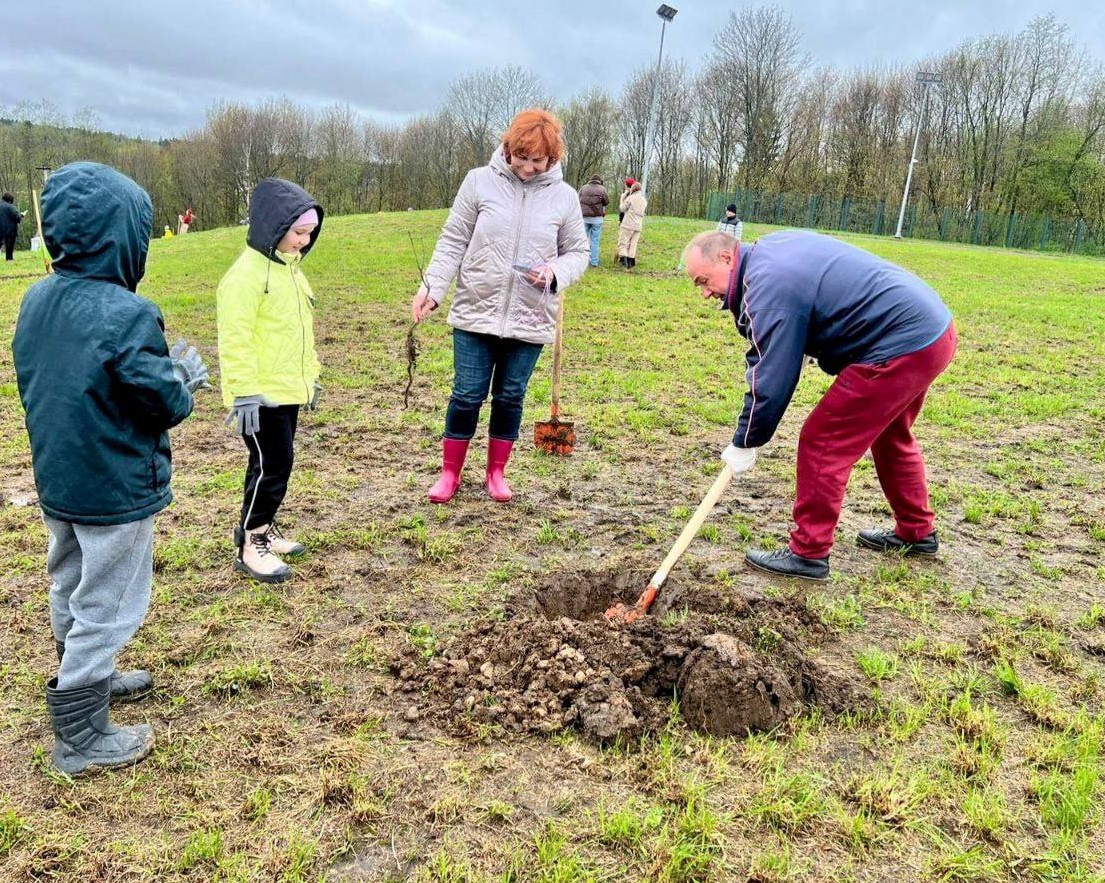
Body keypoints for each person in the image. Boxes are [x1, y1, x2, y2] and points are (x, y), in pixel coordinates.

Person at [12, 162, 209, 775]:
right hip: (115, 486)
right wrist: (183, 379)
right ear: (122, 235)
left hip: (59, 479)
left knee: (69, 580)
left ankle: (86, 677)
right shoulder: (128, 314)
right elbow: (163, 402)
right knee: (110, 601)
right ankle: (81, 735)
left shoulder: (36, 297)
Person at [683, 229, 956, 581]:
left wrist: (745, 439)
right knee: (891, 435)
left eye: (703, 281)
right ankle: (916, 531)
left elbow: (772, 374)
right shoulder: (768, 253)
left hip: (899, 343)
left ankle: (808, 553)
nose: (705, 293)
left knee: (823, 440)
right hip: (930, 331)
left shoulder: (766, 288)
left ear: (726, 257)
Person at [411, 108, 588, 504]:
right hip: (476, 310)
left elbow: (578, 251)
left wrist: (555, 271)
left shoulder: (565, 197)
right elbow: (454, 239)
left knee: (510, 396)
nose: (526, 167)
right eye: (520, 157)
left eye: (536, 160)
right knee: (467, 394)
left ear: (552, 159)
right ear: (508, 148)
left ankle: (496, 473)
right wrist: (433, 288)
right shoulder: (478, 182)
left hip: (531, 316)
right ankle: (449, 473)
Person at [218, 179, 324, 583]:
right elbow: (234, 338)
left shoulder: (290, 271)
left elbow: (300, 330)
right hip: (260, 395)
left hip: (287, 390)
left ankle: (259, 526)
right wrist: (244, 392)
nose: (303, 241)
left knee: (268, 464)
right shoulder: (244, 277)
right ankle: (252, 544)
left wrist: (310, 377)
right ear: (272, 225)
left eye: (309, 234)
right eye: (298, 232)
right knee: (274, 464)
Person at [578, 174, 608, 268]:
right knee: (595, 241)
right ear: (599, 181)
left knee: (582, 240)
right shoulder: (602, 189)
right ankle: (594, 262)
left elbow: (577, 200)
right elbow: (606, 202)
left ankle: (581, 261)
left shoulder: (583, 188)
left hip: (584, 218)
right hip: (597, 219)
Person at [617, 181, 647, 268]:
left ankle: (625, 262)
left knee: (623, 243)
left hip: (628, 224)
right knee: (633, 243)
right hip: (638, 225)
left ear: (633, 189)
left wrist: (622, 199)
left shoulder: (630, 198)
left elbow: (622, 208)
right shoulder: (643, 200)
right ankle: (631, 261)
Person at [1, 192, 25, 261]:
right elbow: (16, 217)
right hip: (10, 230)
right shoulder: (10, 207)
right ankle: (9, 258)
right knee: (9, 245)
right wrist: (22, 215)